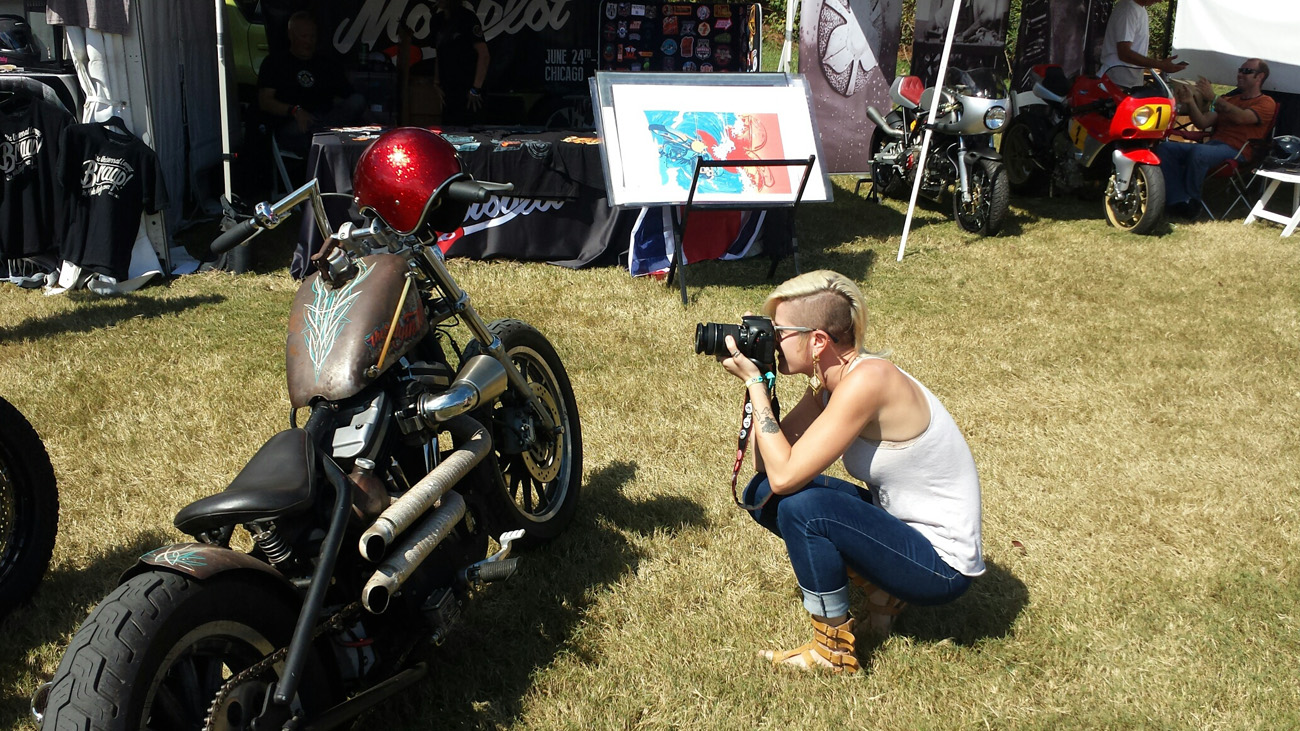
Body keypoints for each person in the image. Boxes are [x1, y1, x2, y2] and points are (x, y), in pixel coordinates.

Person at [717, 271, 985, 673]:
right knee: (761, 493)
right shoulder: (831, 382)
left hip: (941, 568)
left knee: (804, 509)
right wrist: (764, 385)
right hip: (902, 532)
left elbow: (787, 477)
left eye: (779, 332)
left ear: (819, 340)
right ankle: (884, 593)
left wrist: (755, 385)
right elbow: (767, 468)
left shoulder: (869, 381)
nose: (771, 340)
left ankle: (833, 653)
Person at [1159, 58, 1277, 219]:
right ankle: (1178, 200)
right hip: (1213, 147)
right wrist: (1190, 102)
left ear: (1260, 77)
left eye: (1247, 71)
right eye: (1240, 70)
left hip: (1237, 152)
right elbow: (1202, 123)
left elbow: (1241, 117)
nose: (1241, 74)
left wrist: (1214, 98)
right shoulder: (1229, 100)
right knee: (1163, 148)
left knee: (1199, 153)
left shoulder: (1266, 102)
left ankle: (1192, 203)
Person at [257, 11, 365, 156]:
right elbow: (265, 101)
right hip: (293, 125)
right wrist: (294, 111)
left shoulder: (325, 64)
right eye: (304, 36)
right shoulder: (275, 63)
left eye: (312, 36)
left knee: (357, 101)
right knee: (304, 133)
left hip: (327, 123)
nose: (309, 41)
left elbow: (348, 97)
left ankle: (327, 139)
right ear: (291, 35)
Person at [1098, 0, 1186, 88]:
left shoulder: (1139, 9)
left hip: (1127, 81)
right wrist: (1160, 65)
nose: (1160, 1)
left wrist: (1160, 64)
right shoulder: (1128, 9)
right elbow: (1124, 53)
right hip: (1115, 81)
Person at [432, 0, 490, 126]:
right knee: (449, 130)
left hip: (468, 89)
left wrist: (476, 88)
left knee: (471, 130)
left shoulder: (468, 18)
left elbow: (484, 54)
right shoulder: (437, 20)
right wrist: (436, 82)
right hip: (448, 90)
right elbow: (438, 53)